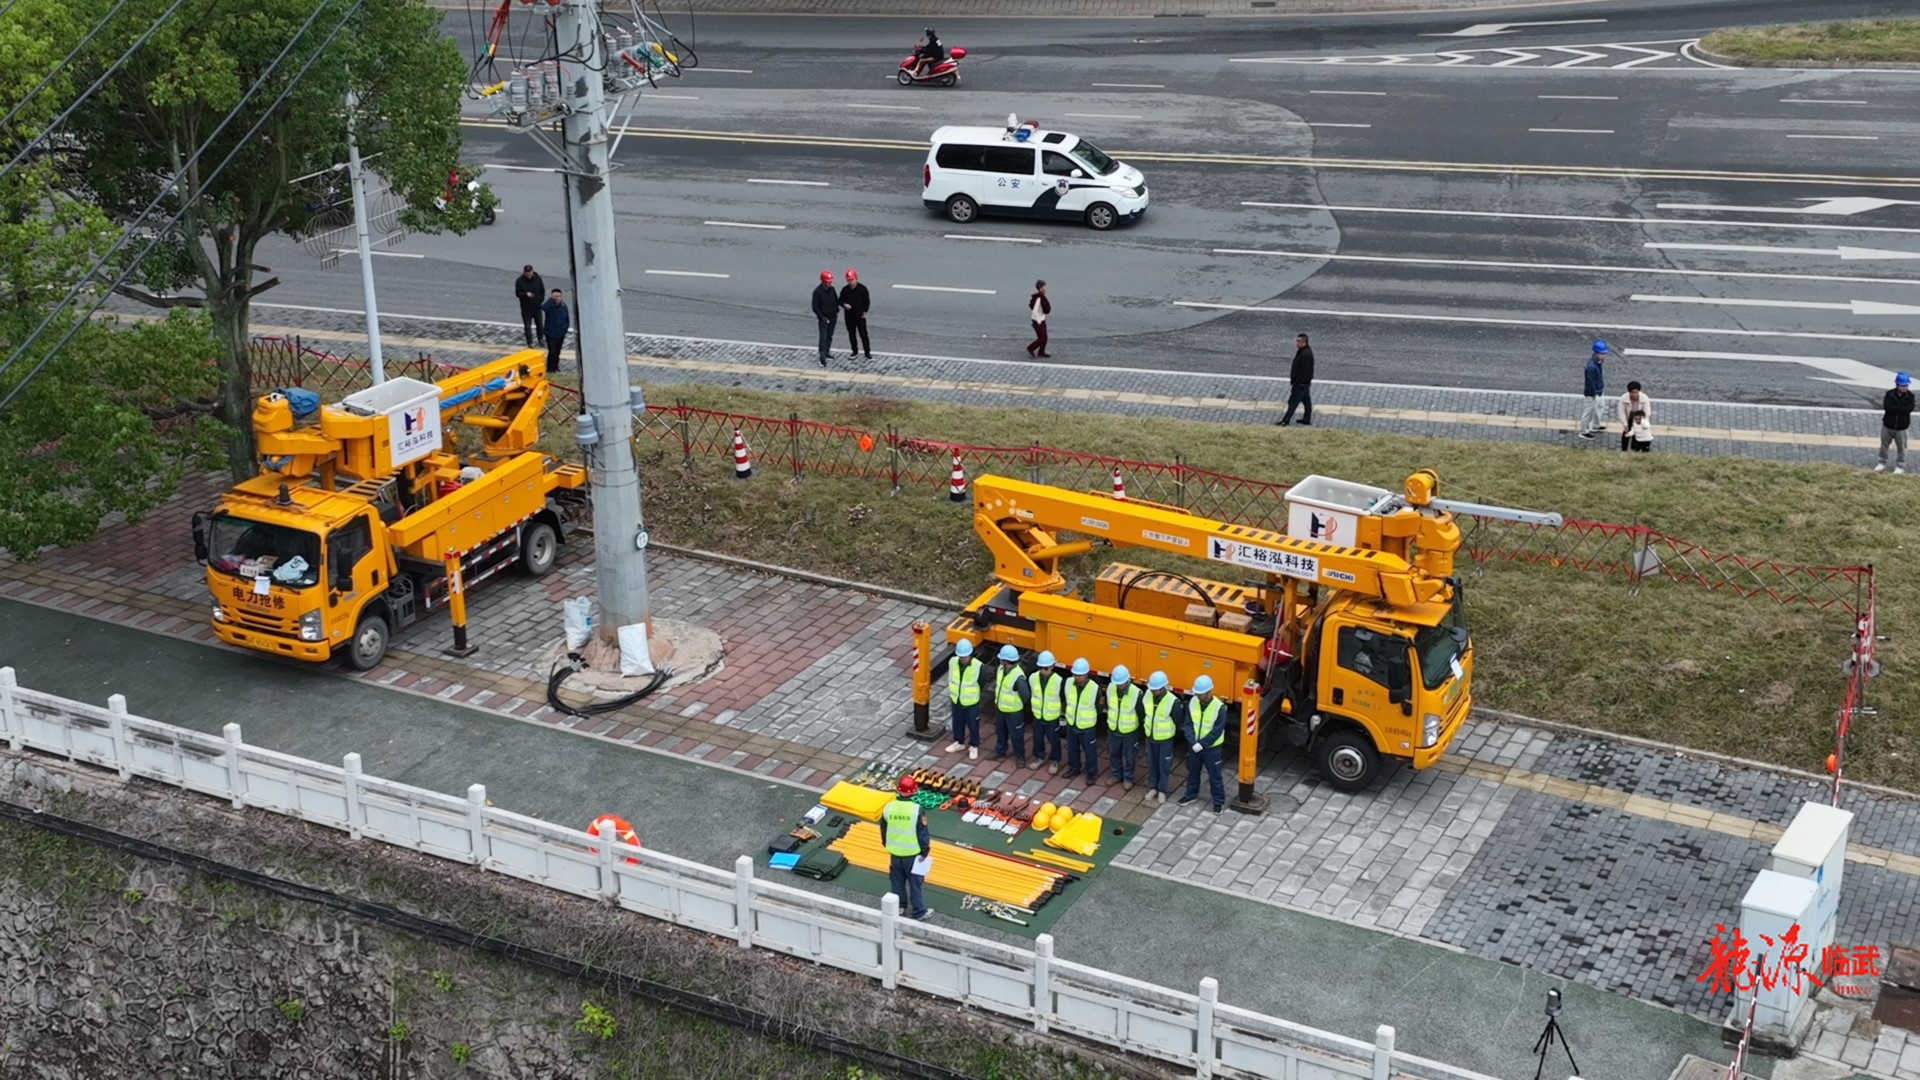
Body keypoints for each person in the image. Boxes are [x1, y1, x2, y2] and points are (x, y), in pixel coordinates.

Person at [881, 775, 932, 921]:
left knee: (897, 881)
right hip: (913, 854)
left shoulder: (888, 808)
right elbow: (923, 834)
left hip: (895, 853)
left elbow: (883, 830)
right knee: (915, 883)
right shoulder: (917, 810)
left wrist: (887, 844)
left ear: (898, 790)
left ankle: (899, 907)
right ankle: (919, 911)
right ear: (914, 791)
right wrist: (925, 851)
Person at [1178, 675, 1227, 814]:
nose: (1198, 696)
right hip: (1194, 746)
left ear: (1208, 692)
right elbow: (1187, 724)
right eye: (1197, 693)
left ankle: (1218, 802)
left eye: (1200, 694)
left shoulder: (1219, 708)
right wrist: (1193, 741)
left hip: (1212, 749)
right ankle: (1191, 795)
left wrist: (1202, 744)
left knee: (1215, 776)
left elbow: (1217, 731)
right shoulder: (1193, 702)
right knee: (1192, 771)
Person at [1141, 671, 1178, 804]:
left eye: (1155, 690)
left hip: (1165, 740)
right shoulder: (1147, 695)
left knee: (1164, 765)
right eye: (1151, 689)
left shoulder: (1172, 701)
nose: (1152, 692)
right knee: (1152, 764)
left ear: (1163, 688)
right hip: (1150, 737)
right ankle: (1153, 788)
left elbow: (1178, 720)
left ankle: (1162, 790)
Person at [1063, 657, 1100, 784]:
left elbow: (1099, 707)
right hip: (1072, 723)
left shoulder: (1095, 688)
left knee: (1090, 752)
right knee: (1072, 749)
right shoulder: (1068, 682)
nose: (1077, 678)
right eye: (1075, 675)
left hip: (1087, 727)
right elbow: (1065, 699)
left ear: (1087, 675)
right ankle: (1074, 768)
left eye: (1080, 675)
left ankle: (1091, 773)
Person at [1105, 664, 1141, 792]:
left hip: (1129, 732)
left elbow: (1140, 713)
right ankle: (1116, 775)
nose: (1119, 686)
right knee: (1113, 753)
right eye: (1117, 684)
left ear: (1128, 681)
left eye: (1121, 684)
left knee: (1130, 756)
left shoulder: (1137, 693)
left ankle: (1128, 778)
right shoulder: (1110, 688)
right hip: (1114, 729)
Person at [989, 644, 1029, 762]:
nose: (1000, 660)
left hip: (1013, 712)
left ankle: (1020, 756)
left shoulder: (1018, 676)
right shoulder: (1001, 669)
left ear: (1006, 661)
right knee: (1000, 731)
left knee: (1017, 735)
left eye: (1001, 659)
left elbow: (1025, 696)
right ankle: (1000, 750)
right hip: (1001, 708)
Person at [944, 639, 983, 760]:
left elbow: (982, 681)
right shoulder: (952, 662)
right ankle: (959, 742)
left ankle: (974, 745)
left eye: (964, 657)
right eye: (960, 656)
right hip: (956, 700)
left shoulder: (978, 666)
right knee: (957, 722)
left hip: (971, 702)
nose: (962, 659)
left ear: (970, 654)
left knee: (973, 725)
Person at [1028, 650, 1065, 773]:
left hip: (1052, 717)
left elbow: (1063, 698)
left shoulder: (1059, 681)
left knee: (1054, 740)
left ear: (1052, 667)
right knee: (1037, 738)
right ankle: (1039, 757)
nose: (1044, 671)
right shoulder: (1033, 677)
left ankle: (1055, 760)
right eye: (1041, 668)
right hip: (1038, 715)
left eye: (1046, 668)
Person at [1877, 371, 1912, 474]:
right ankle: (1881, 463)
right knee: (1884, 445)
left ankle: (1900, 466)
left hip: (1902, 428)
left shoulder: (1910, 397)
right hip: (1888, 426)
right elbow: (1888, 407)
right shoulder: (1889, 394)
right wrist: (1900, 409)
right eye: (1903, 385)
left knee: (1902, 448)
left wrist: (1896, 409)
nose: (1905, 387)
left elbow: (1908, 410)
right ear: (1897, 385)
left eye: (1906, 385)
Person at [1277, 332, 1314, 427]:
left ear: (1304, 342)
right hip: (1304, 383)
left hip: (1300, 384)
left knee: (1292, 402)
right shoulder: (1305, 351)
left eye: (1298, 341)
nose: (1296, 343)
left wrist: (1297, 382)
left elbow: (1303, 371)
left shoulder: (1305, 354)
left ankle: (1285, 420)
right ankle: (1307, 418)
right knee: (1306, 401)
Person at [1576, 340, 1608, 440]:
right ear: (1596, 353)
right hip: (1593, 393)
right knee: (1588, 412)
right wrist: (1593, 393)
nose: (1604, 356)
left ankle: (1595, 425)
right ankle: (1584, 431)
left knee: (1599, 408)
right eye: (1602, 354)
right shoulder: (1591, 367)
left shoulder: (1597, 362)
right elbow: (1589, 382)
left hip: (1599, 390)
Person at [840, 268, 872, 360]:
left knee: (864, 335)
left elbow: (867, 301)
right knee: (852, 334)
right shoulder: (845, 290)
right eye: (848, 280)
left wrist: (865, 311)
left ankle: (867, 352)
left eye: (852, 280)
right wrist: (844, 304)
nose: (850, 282)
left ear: (856, 278)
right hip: (849, 317)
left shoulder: (862, 289)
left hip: (860, 316)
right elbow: (840, 300)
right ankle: (854, 351)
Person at [812, 270, 840, 366]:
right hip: (824, 318)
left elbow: (836, 300)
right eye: (828, 281)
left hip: (833, 316)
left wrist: (837, 310)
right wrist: (822, 317)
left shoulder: (832, 289)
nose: (830, 283)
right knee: (823, 338)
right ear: (823, 281)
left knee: (829, 336)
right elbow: (815, 307)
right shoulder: (817, 292)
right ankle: (822, 357)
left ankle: (827, 352)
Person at [540, 288, 571, 373]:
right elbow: (543, 308)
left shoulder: (563, 306)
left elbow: (566, 318)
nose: (557, 298)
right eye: (555, 296)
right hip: (550, 333)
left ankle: (556, 366)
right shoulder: (550, 306)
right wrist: (551, 300)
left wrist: (565, 329)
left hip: (560, 333)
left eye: (559, 296)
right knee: (552, 351)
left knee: (557, 351)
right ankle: (550, 368)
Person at [514, 265, 546, 348]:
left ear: (532, 272)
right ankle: (530, 342)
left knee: (539, 324)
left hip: (536, 306)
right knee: (527, 326)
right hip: (526, 308)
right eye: (527, 274)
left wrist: (540, 301)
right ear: (524, 273)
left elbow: (542, 290)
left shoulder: (537, 279)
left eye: (530, 273)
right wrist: (525, 294)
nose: (529, 275)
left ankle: (541, 339)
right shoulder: (519, 281)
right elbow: (518, 293)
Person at [1616, 380, 1652, 452]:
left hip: (1640, 418)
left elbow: (1647, 412)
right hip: (1629, 417)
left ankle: (1636, 449)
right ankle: (1624, 450)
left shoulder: (1644, 398)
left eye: (1636, 392)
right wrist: (1625, 423)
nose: (1635, 394)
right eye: (1632, 392)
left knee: (1638, 435)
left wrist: (1641, 422)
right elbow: (1621, 412)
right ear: (1629, 392)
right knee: (1626, 433)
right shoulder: (1623, 398)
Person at [1026, 281, 1051, 358]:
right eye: (1044, 287)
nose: (1046, 288)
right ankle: (1030, 348)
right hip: (1038, 321)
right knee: (1042, 338)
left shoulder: (1041, 296)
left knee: (1045, 337)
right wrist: (1039, 321)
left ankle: (1041, 351)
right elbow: (1035, 311)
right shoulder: (1039, 298)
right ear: (1040, 289)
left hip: (1041, 319)